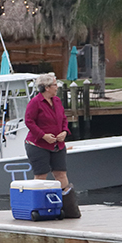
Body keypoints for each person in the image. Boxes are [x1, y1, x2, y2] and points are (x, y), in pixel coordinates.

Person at [24, 73, 80, 218]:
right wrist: (43, 135)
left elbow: (63, 119)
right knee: (41, 175)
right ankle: (40, 209)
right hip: (38, 144)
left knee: (61, 174)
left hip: (58, 144)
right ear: (47, 87)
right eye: (55, 85)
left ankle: (67, 208)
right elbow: (29, 121)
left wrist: (64, 132)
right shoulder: (35, 102)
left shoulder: (57, 101)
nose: (57, 87)